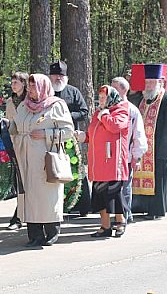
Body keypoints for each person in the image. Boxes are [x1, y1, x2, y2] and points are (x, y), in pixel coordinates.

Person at [9, 74, 73, 247]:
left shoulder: (56, 106)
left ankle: (52, 231)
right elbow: (16, 126)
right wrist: (5, 125)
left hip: (45, 160)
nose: (30, 90)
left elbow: (68, 131)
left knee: (46, 195)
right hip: (25, 159)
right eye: (29, 87)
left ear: (43, 87)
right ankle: (34, 234)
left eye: (33, 87)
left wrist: (46, 134)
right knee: (29, 196)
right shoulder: (24, 106)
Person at [131, 64, 167, 219]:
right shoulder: (143, 99)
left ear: (160, 82)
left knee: (158, 180)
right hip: (144, 148)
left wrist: (165, 148)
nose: (148, 85)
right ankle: (142, 206)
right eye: (146, 82)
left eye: (152, 82)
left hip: (159, 148)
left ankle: (156, 210)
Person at [76, 85, 129, 237]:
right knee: (99, 194)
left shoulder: (121, 110)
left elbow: (114, 126)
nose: (100, 100)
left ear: (111, 97)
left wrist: (104, 115)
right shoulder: (99, 113)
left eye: (103, 97)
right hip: (98, 162)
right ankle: (105, 226)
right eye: (99, 97)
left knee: (114, 194)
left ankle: (120, 221)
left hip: (112, 161)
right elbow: (94, 134)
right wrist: (84, 137)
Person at [48, 60, 91, 217]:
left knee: (76, 170)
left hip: (70, 137)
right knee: (53, 170)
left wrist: (66, 117)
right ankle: (57, 206)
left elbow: (84, 111)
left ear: (65, 77)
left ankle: (83, 206)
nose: (57, 78)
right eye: (54, 75)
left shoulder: (73, 92)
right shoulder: (46, 93)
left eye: (61, 75)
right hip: (49, 138)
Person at [111, 77, 148, 223]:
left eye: (115, 88)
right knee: (113, 187)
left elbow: (138, 135)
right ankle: (118, 213)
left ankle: (125, 215)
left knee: (124, 187)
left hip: (125, 157)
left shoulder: (132, 110)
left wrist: (136, 157)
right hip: (111, 157)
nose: (111, 91)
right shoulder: (108, 109)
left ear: (123, 90)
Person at [5, 71, 29, 230]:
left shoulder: (29, 101)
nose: (13, 85)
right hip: (13, 143)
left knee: (25, 180)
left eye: (16, 82)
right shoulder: (9, 101)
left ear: (24, 84)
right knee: (17, 181)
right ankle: (19, 214)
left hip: (27, 143)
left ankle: (20, 216)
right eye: (12, 82)